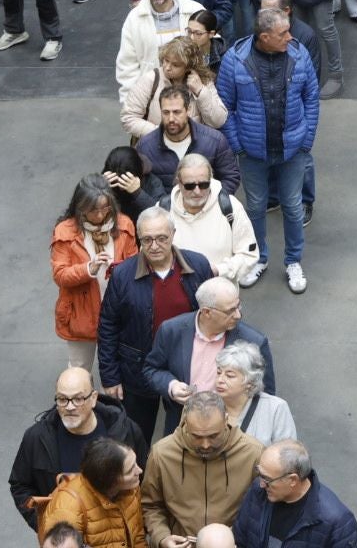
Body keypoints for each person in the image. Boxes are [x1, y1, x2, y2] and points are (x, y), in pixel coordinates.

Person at [218, 9, 319, 293]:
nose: (290, 37)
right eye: (283, 34)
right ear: (264, 37)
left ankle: (293, 261)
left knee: (292, 205)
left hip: (293, 151)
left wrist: (306, 139)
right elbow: (226, 107)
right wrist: (238, 145)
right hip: (252, 153)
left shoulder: (299, 56)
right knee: (255, 207)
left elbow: (311, 97)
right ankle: (258, 258)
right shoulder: (234, 60)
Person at [96, 209, 213, 440]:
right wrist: (110, 377)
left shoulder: (197, 265)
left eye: (162, 238)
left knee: (188, 436)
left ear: (173, 234)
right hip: (137, 370)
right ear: (138, 238)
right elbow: (108, 325)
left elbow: (213, 315)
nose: (154, 245)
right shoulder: (122, 275)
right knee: (135, 437)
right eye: (147, 239)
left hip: (187, 368)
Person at [8, 367, 146, 530]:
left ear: (94, 398)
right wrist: (46, 524)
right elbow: (20, 485)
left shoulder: (124, 431)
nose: (70, 406)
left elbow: (145, 481)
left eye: (78, 399)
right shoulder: (37, 438)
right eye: (62, 399)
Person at [143, 274, 275, 433]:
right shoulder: (171, 330)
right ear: (206, 312)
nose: (238, 315)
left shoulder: (254, 341)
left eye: (238, 306)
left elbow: (265, 394)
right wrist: (172, 385)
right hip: (182, 427)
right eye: (230, 311)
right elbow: (152, 369)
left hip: (232, 432)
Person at [140, 391, 261, 547]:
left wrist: (234, 536)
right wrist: (162, 537)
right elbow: (150, 505)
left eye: (213, 436)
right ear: (185, 421)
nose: (205, 445)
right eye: (196, 436)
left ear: (226, 420)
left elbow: (263, 508)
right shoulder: (162, 454)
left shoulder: (252, 453)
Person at [53, 176, 136, 373]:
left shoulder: (124, 225)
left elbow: (135, 265)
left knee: (120, 368)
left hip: (118, 309)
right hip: (80, 313)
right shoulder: (65, 231)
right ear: (80, 207)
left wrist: (118, 269)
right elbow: (60, 274)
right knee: (79, 369)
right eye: (93, 210)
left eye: (105, 208)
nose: (99, 215)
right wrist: (88, 269)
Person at [231, 439, 357, 548]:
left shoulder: (337, 522)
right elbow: (240, 539)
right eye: (260, 474)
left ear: (293, 480)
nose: (261, 484)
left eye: (267, 479)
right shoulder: (258, 491)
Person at [35, 436, 145, 545]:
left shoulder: (130, 488)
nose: (139, 471)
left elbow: (138, 536)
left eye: (135, 463)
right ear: (111, 481)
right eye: (130, 470)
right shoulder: (68, 510)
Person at [115, 0, 207, 98]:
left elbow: (209, 51)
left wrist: (201, 91)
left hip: (190, 95)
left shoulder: (194, 11)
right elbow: (127, 65)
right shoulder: (134, 18)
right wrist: (130, 101)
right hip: (151, 96)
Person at [167, 155, 257, 285]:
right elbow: (149, 255)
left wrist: (218, 271)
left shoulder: (230, 207)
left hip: (220, 297)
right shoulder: (164, 210)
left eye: (203, 184)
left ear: (211, 180)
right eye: (189, 186)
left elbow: (249, 255)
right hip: (177, 295)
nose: (197, 191)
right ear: (179, 183)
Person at [134, 85, 238, 193]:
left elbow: (230, 177)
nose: (171, 119)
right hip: (165, 208)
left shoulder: (214, 141)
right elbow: (140, 187)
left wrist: (210, 202)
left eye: (176, 112)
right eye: (166, 112)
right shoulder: (145, 146)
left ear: (188, 110)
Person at [121, 37, 226, 139]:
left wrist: (201, 92)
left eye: (175, 65)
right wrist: (163, 135)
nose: (167, 67)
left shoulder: (202, 81)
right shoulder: (151, 79)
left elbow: (218, 121)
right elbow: (129, 118)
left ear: (188, 67)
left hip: (193, 150)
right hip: (157, 149)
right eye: (166, 60)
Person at [213, 341, 295, 447]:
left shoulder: (275, 408)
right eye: (219, 373)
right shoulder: (206, 405)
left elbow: (286, 455)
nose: (220, 380)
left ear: (250, 382)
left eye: (229, 375)